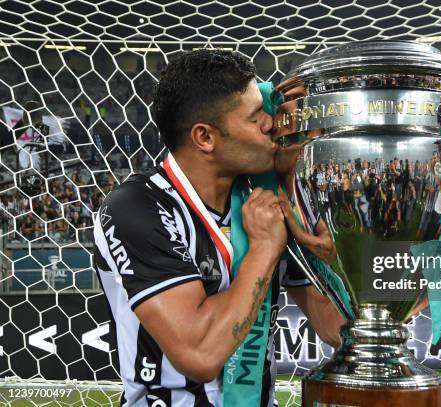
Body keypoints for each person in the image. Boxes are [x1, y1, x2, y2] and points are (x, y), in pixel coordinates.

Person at [93, 50, 343, 407]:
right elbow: (199, 355)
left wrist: (335, 258)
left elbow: (335, 328)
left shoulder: (268, 199)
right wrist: (262, 251)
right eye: (256, 117)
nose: (270, 123)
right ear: (205, 137)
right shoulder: (135, 208)